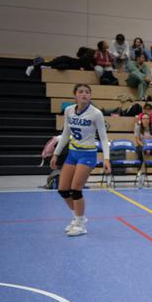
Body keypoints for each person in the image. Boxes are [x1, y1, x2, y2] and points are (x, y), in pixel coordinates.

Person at [49, 84, 111, 237]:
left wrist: (106, 158)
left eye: (87, 92)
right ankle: (79, 217)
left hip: (87, 154)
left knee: (76, 189)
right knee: (63, 190)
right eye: (81, 92)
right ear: (75, 95)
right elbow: (65, 134)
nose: (84, 94)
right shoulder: (69, 110)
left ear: (90, 95)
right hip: (72, 153)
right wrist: (56, 154)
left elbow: (103, 137)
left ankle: (80, 225)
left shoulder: (96, 113)